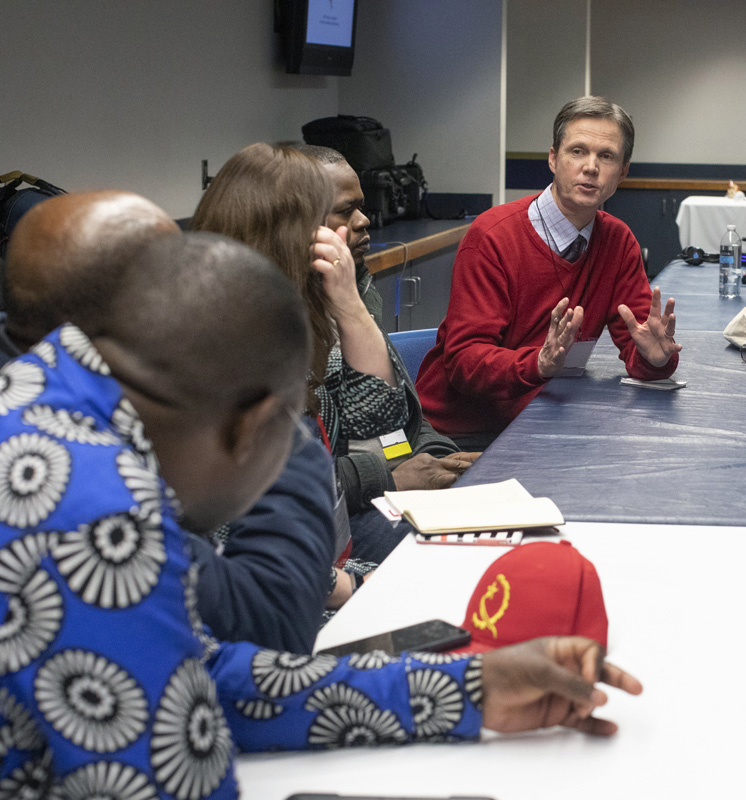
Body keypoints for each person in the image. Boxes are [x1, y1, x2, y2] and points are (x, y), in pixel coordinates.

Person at [0, 232, 643, 797]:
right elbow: (168, 776)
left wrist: (466, 689)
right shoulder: (89, 508)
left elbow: (187, 675)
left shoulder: (51, 398)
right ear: (251, 427)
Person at [2, 191, 339, 653]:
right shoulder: (87, 494)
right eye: (173, 272)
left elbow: (200, 673)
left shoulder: (45, 400)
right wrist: (270, 413)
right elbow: (267, 628)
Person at [191, 143, 420, 568]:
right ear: (291, 234)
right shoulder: (222, 350)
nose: (363, 223)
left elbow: (381, 415)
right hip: (267, 579)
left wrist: (350, 302)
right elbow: (234, 545)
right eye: (340, 214)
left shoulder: (301, 313)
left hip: (317, 553)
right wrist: (349, 584)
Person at [415, 96, 681, 447]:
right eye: (577, 152)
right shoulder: (493, 236)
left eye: (606, 156)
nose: (590, 167)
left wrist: (654, 360)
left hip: (547, 418)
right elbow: (465, 362)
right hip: (464, 431)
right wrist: (538, 364)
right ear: (553, 159)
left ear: (623, 172)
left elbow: (637, 350)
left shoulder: (618, 241)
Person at [294, 143, 479, 493]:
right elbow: (291, 487)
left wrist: (439, 456)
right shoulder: (275, 326)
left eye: (361, 206)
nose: (364, 221)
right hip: (349, 510)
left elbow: (403, 417)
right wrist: (388, 479)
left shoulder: (358, 289)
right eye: (346, 210)